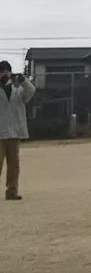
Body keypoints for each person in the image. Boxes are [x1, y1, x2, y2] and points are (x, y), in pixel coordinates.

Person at [0, 62, 36, 201]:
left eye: (6, 71)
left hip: (14, 132)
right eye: (1, 71)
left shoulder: (18, 89)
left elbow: (31, 91)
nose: (4, 74)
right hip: (0, 131)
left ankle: (12, 191)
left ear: (10, 73)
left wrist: (24, 81)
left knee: (14, 163)